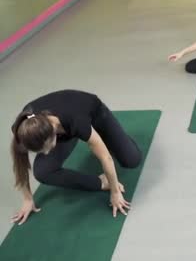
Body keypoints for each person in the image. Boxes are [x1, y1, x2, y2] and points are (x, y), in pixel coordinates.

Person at [10, 90, 140, 225]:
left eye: (47, 148)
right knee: (43, 171)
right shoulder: (24, 129)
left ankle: (109, 138)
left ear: (53, 132)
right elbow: (19, 163)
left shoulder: (76, 119)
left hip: (94, 114)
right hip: (65, 129)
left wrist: (115, 192)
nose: (47, 153)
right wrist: (27, 199)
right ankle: (101, 181)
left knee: (131, 159)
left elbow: (106, 158)